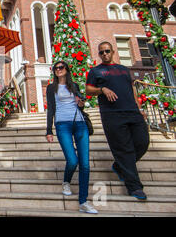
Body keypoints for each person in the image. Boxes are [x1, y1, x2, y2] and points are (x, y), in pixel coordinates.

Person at [86, 41, 150, 200]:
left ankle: (119, 165)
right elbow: (88, 90)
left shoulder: (123, 70)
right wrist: (102, 89)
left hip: (132, 112)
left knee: (143, 142)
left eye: (107, 51)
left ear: (113, 51)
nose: (105, 54)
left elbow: (131, 89)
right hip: (112, 115)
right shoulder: (96, 71)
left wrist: (140, 108)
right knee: (124, 150)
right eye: (101, 52)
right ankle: (135, 187)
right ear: (99, 54)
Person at [46, 61, 98, 214]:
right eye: (56, 68)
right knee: (72, 160)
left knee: (85, 165)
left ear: (67, 70)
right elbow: (50, 109)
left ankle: (83, 201)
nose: (58, 70)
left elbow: (81, 105)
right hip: (63, 125)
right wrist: (49, 130)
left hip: (80, 124)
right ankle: (66, 181)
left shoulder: (74, 85)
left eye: (61, 67)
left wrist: (80, 103)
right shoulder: (51, 87)